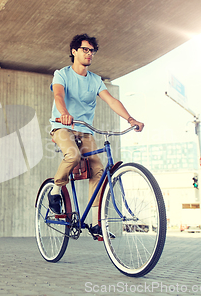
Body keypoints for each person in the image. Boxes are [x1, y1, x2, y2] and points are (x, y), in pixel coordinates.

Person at [48, 33, 144, 238]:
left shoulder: (95, 80)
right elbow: (58, 94)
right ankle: (55, 191)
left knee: (98, 170)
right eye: (85, 50)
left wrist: (130, 119)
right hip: (62, 126)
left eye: (92, 51)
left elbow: (111, 101)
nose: (89, 54)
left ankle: (95, 224)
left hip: (85, 130)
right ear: (74, 52)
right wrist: (64, 114)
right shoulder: (62, 74)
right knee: (73, 156)